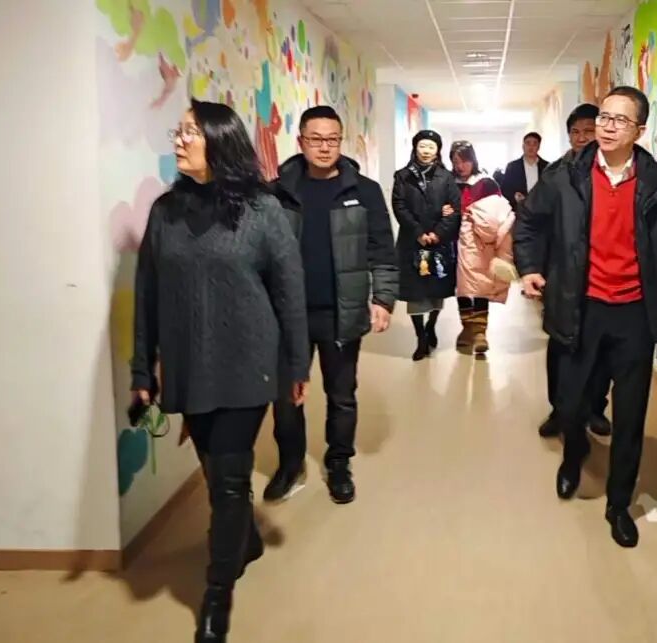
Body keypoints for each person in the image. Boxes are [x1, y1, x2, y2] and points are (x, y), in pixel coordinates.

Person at [131, 99, 310, 643]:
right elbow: (146, 295)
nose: (179, 140)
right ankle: (244, 541)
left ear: (220, 140)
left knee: (228, 483)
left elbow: (290, 292)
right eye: (179, 130)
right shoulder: (165, 212)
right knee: (215, 472)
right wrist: (142, 371)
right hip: (189, 367)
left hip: (248, 365)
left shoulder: (262, 210)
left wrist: (296, 365)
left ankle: (216, 593)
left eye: (190, 131)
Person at [514, 86, 657, 548]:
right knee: (570, 404)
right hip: (579, 308)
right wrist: (529, 267)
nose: (606, 126)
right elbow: (529, 222)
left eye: (619, 120)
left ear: (639, 130)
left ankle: (619, 504)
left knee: (630, 415)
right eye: (604, 116)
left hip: (635, 317)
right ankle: (573, 457)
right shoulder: (565, 176)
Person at [265, 105, 398, 505]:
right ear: (301, 141)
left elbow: (382, 249)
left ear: (341, 141)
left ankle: (339, 463)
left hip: (343, 311)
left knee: (342, 395)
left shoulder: (364, 190)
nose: (325, 147)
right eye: (316, 139)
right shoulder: (277, 192)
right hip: (289, 315)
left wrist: (383, 298)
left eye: (333, 139)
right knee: (286, 397)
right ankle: (290, 464)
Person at [538, 103, 612, 438]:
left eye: (588, 131)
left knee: (601, 352)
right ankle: (559, 411)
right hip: (564, 278)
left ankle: (595, 408)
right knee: (561, 349)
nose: (581, 138)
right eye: (575, 132)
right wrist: (535, 269)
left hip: (605, 281)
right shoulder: (555, 174)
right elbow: (535, 224)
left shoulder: (619, 173)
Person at [392, 130, 462, 360]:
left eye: (431, 146)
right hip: (412, 242)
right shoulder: (402, 176)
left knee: (435, 291)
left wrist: (438, 234)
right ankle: (420, 336)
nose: (426, 151)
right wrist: (419, 233)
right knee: (415, 293)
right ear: (415, 147)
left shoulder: (446, 177)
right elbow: (399, 206)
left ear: (438, 150)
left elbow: (454, 209)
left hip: (438, 244)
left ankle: (431, 325)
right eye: (422, 146)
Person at [449, 140, 518, 355]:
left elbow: (497, 212)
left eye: (464, 161)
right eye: (456, 161)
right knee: (462, 288)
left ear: (473, 160)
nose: (460, 166)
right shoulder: (448, 182)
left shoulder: (486, 184)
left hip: (479, 242)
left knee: (480, 284)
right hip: (452, 240)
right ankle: (467, 328)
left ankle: (480, 332)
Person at [501, 132, 549, 210]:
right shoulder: (512, 167)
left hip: (542, 210)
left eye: (534, 144)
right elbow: (505, 190)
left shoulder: (547, 167)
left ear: (538, 147)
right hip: (519, 209)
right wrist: (515, 196)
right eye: (528, 143)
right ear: (523, 146)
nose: (531, 147)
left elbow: (551, 190)